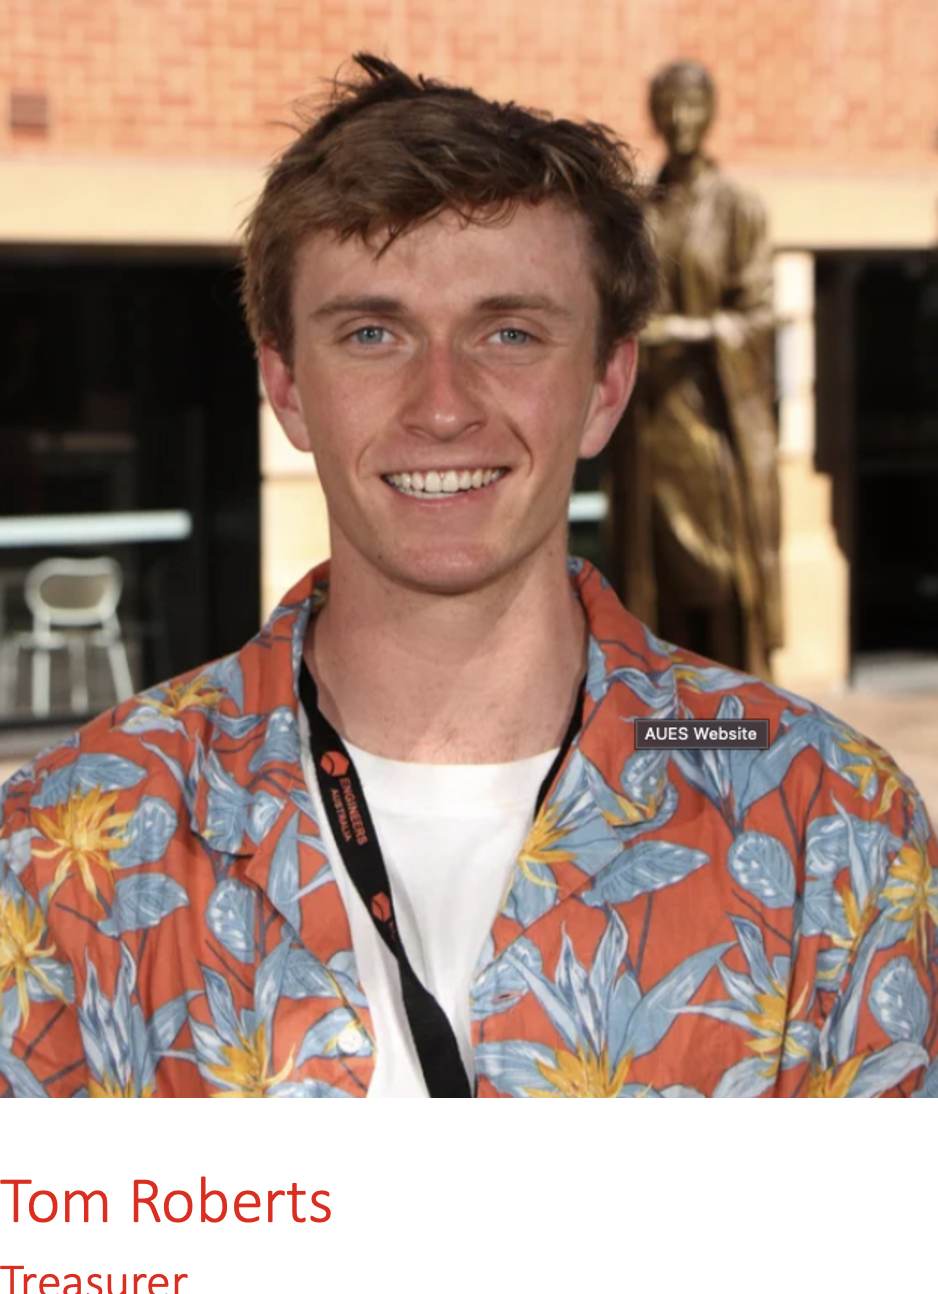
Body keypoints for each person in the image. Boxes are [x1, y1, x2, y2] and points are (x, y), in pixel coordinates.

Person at [0, 56, 935, 1098]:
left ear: (606, 385)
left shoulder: (827, 826)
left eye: (508, 333)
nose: (442, 406)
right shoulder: (69, 842)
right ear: (286, 387)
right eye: (372, 333)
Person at [610, 59, 782, 678]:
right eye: (668, 106)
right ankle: (671, 717)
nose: (680, 118)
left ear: (711, 112)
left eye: (692, 104)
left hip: (713, 426)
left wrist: (684, 332)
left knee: (723, 578)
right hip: (649, 427)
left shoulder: (738, 209)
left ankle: (733, 716)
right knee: (654, 582)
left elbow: (758, 316)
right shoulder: (637, 213)